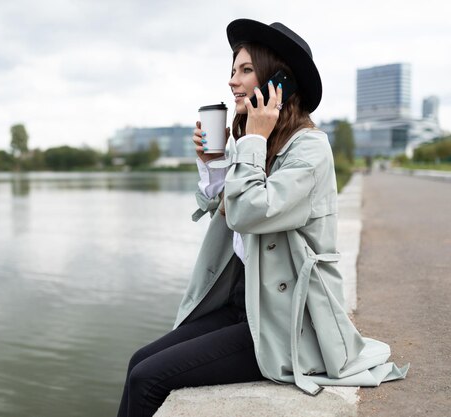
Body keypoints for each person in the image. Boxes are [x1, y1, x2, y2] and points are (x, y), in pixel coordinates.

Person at [117, 19, 408, 417]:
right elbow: (226, 210)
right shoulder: (258, 146)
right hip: (244, 303)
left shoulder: (309, 150)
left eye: (246, 70)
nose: (233, 82)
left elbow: (250, 211)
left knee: (147, 379)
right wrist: (215, 165)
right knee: (138, 362)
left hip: (283, 320)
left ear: (278, 83)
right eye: (232, 72)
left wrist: (250, 141)